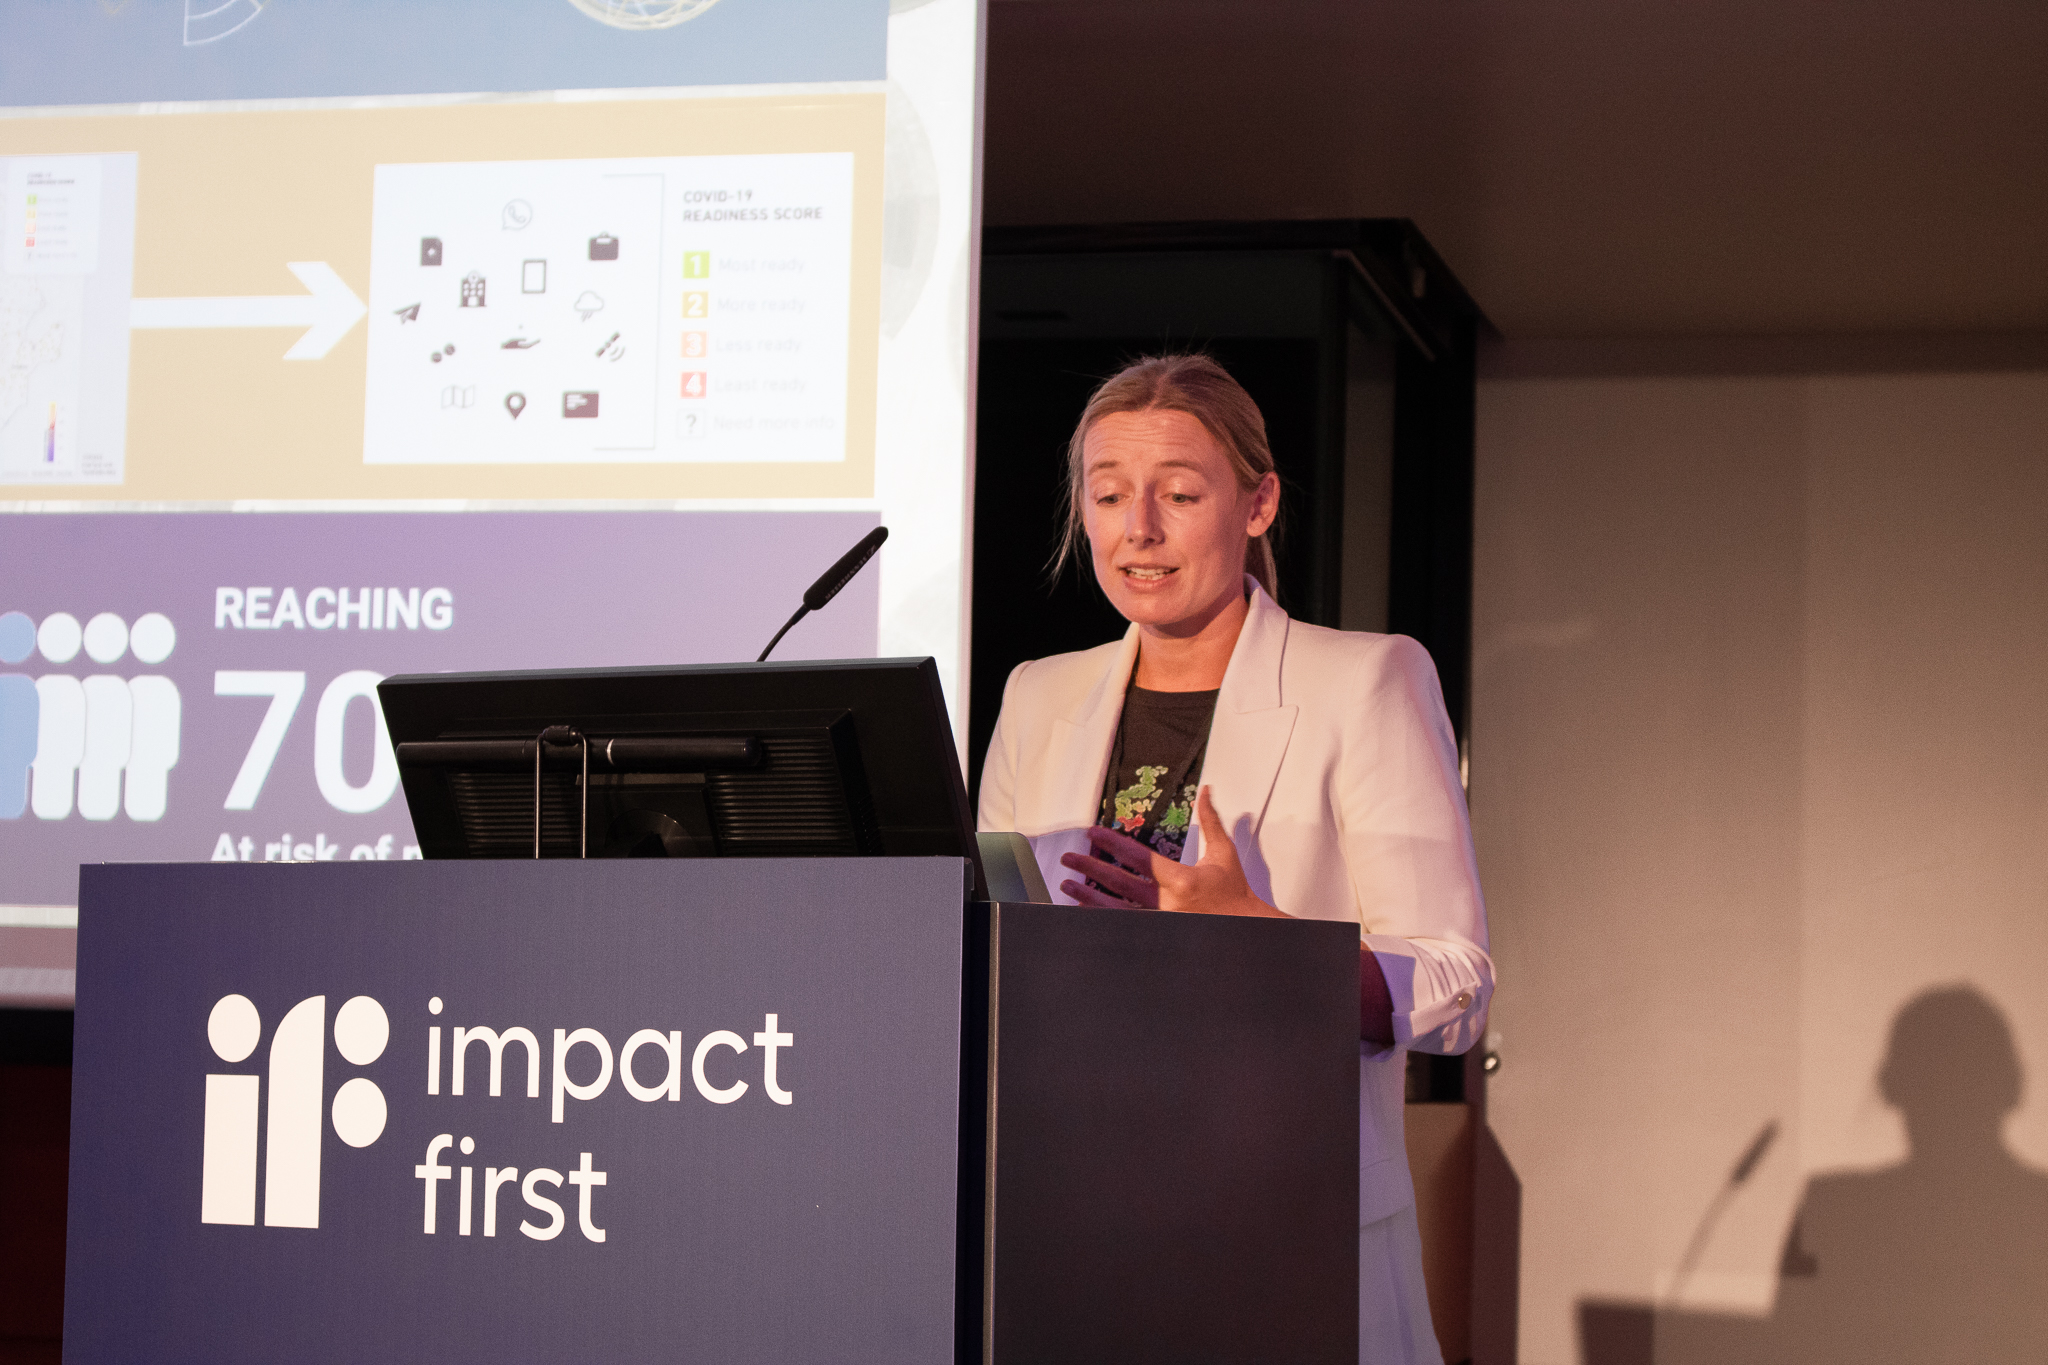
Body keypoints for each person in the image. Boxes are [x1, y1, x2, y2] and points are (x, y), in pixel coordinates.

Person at [977, 353, 1493, 1365]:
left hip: (1288, 1230)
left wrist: (1260, 945)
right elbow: (993, 945)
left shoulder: (1366, 680)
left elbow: (1457, 985)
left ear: (1258, 505)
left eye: (1178, 494)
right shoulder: (1039, 695)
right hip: (1075, 1221)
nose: (1139, 529)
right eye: (1109, 496)